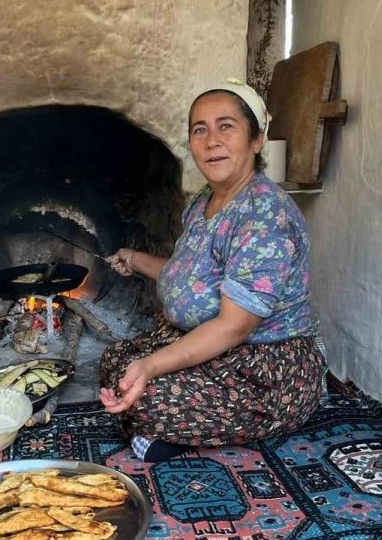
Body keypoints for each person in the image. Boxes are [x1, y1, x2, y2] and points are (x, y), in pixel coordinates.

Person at [99, 79, 326, 462]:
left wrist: (152, 366)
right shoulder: (204, 201)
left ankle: (169, 430)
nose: (211, 140)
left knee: (148, 394)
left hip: (265, 364)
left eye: (227, 126)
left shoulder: (264, 215)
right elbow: (188, 276)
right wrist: (135, 259)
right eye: (199, 129)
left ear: (256, 140)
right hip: (214, 350)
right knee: (115, 363)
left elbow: (234, 326)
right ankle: (170, 428)